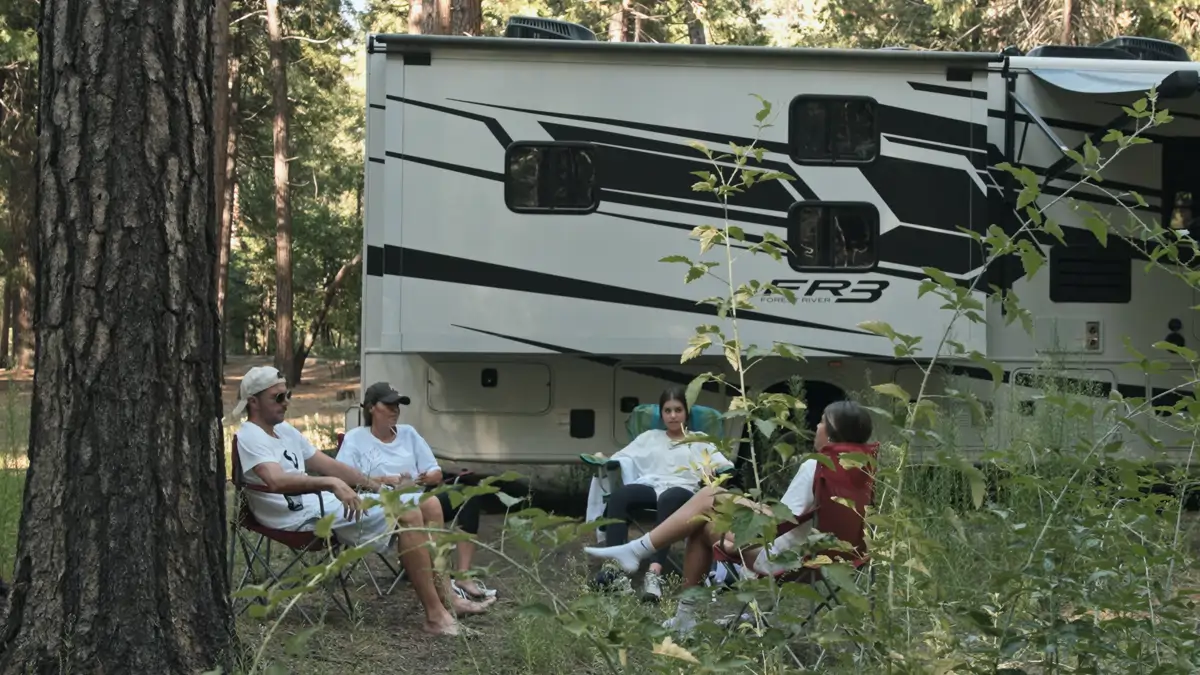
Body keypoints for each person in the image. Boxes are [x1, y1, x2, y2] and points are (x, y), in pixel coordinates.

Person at [231, 366, 495, 636]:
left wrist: (374, 483)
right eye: (277, 398)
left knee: (430, 504)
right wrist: (331, 484)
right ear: (253, 401)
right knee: (408, 511)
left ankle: (448, 597)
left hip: (318, 504)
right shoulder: (249, 435)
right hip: (294, 516)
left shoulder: (286, 431)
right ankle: (435, 616)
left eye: (287, 395)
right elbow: (276, 480)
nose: (286, 403)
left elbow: (332, 466)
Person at [583, 400, 877, 635]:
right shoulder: (860, 467)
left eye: (823, 421)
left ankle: (652, 570)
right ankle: (640, 556)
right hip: (833, 558)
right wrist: (743, 503)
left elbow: (778, 522)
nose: (817, 425)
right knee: (710, 501)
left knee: (706, 509)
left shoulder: (817, 466)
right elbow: (803, 517)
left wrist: (744, 506)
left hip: (780, 557)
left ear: (834, 430)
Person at [336, 382, 497, 602]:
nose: (396, 410)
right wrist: (384, 480)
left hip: (418, 493)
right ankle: (440, 581)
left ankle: (462, 576)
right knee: (426, 505)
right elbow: (344, 477)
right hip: (386, 503)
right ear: (371, 407)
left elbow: (435, 472)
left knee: (469, 494)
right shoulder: (355, 438)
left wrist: (425, 477)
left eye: (398, 405)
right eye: (389, 404)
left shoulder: (408, 433)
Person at [591, 386, 734, 602]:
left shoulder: (699, 440)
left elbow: (723, 465)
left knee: (670, 497)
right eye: (668, 410)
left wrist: (711, 470)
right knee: (621, 496)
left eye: (678, 410)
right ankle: (615, 570)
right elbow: (622, 457)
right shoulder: (649, 437)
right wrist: (605, 458)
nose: (673, 415)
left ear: (686, 413)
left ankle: (654, 573)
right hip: (652, 485)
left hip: (685, 492)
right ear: (662, 414)